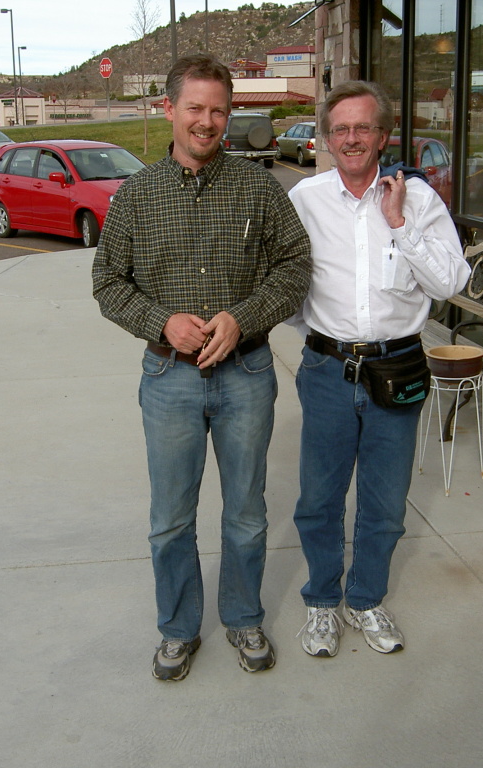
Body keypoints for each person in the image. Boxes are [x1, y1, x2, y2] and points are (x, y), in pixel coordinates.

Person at [92, 54, 312, 681]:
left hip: (247, 375)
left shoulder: (258, 189)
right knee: (170, 520)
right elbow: (108, 282)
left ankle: (243, 617)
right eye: (195, 108)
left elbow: (295, 265)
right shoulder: (137, 195)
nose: (207, 121)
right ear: (169, 109)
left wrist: (243, 316)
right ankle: (178, 628)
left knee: (246, 512)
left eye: (219, 110)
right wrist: (161, 321)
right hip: (170, 380)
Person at [287, 80, 471, 657]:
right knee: (319, 500)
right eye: (340, 128)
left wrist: (399, 224)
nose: (351, 138)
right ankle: (322, 601)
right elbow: (286, 284)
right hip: (327, 370)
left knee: (386, 504)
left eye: (363, 127)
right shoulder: (305, 199)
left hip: (397, 370)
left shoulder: (418, 201)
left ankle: (365, 598)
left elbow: (451, 283)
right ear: (327, 137)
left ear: (384, 136)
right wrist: (322, 336)